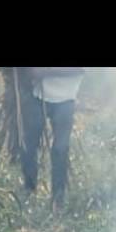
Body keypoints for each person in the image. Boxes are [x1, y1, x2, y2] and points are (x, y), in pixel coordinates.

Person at [19, 67, 85, 211]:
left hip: (66, 100)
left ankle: (58, 200)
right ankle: (29, 190)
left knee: (60, 149)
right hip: (38, 96)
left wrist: (46, 71)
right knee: (28, 145)